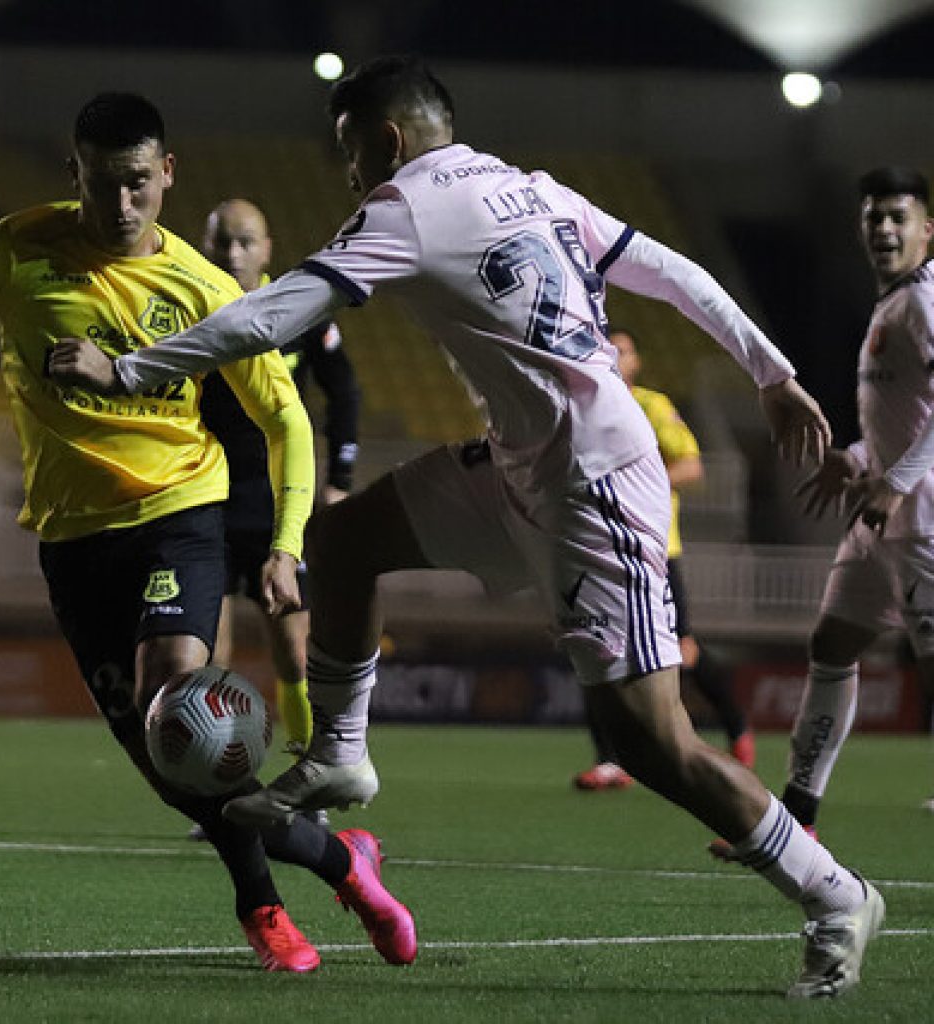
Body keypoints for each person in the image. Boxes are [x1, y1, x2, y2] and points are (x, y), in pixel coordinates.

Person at [49, 59, 883, 997]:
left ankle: (834, 893)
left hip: (592, 487)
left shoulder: (404, 205)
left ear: (390, 141)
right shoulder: (529, 187)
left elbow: (278, 312)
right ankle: (340, 754)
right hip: (527, 465)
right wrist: (770, 371)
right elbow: (670, 270)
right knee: (345, 540)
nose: (349, 174)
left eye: (351, 151)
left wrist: (132, 370)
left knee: (655, 744)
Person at [0, 91, 415, 972]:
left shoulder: (205, 288)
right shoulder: (7, 249)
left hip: (179, 511)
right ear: (75, 174)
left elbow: (289, 421)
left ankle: (262, 913)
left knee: (177, 698)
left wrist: (289, 540)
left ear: (167, 175)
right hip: (72, 540)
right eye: (102, 184)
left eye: (137, 183)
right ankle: (342, 861)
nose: (119, 206)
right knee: (165, 758)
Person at [777, 167, 934, 829]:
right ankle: (798, 812)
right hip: (881, 514)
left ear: (928, 229)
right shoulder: (893, 302)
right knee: (833, 640)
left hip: (921, 517)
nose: (884, 230)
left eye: (899, 217)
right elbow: (911, 416)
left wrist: (895, 483)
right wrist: (860, 459)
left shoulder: (925, 302)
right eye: (874, 217)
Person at [200, 198, 361, 753]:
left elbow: (345, 394)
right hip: (205, 503)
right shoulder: (186, 311)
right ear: (205, 247)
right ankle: (215, 781)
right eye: (223, 241)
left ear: (267, 249)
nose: (234, 253)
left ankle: (308, 773)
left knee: (294, 650)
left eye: (245, 241)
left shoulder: (301, 311)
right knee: (206, 656)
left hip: (277, 509)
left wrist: (340, 477)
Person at [574, 326, 754, 791]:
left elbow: (691, 466)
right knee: (594, 649)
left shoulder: (652, 407)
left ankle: (736, 726)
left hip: (655, 551)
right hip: (601, 550)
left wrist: (636, 484)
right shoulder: (583, 406)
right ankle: (609, 761)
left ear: (637, 363)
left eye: (625, 350)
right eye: (607, 347)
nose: (615, 355)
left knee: (685, 653)